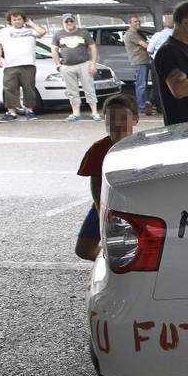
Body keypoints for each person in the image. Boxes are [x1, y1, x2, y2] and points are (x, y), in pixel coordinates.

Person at [75, 93, 140, 260]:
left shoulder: (142, 147)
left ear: (135, 119)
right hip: (105, 206)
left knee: (128, 254)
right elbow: (96, 184)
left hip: (136, 208)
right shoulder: (97, 149)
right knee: (83, 249)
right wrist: (100, 211)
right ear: (104, 121)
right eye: (111, 118)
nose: (117, 124)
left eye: (123, 118)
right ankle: (104, 264)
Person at [0, 10, 46, 121]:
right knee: (10, 89)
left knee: (29, 88)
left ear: (23, 20)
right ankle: (11, 112)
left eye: (19, 19)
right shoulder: (4, 31)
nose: (17, 22)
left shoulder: (30, 30)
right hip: (11, 65)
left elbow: (42, 32)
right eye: (14, 20)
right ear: (10, 21)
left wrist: (31, 23)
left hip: (28, 64)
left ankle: (29, 110)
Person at [52, 13, 101, 122]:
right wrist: (58, 65)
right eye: (67, 21)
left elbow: (92, 47)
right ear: (63, 22)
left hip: (83, 64)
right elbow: (54, 50)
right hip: (67, 66)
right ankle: (76, 113)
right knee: (72, 91)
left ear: (75, 21)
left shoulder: (83, 33)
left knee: (89, 89)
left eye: (71, 21)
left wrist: (93, 63)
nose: (69, 23)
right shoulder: (58, 34)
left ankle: (94, 112)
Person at [123, 14, 154, 116]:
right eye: (135, 22)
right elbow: (145, 45)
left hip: (142, 61)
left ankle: (143, 105)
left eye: (138, 21)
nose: (138, 23)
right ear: (130, 23)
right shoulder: (131, 34)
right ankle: (141, 107)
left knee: (142, 85)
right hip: (139, 62)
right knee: (141, 85)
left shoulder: (136, 33)